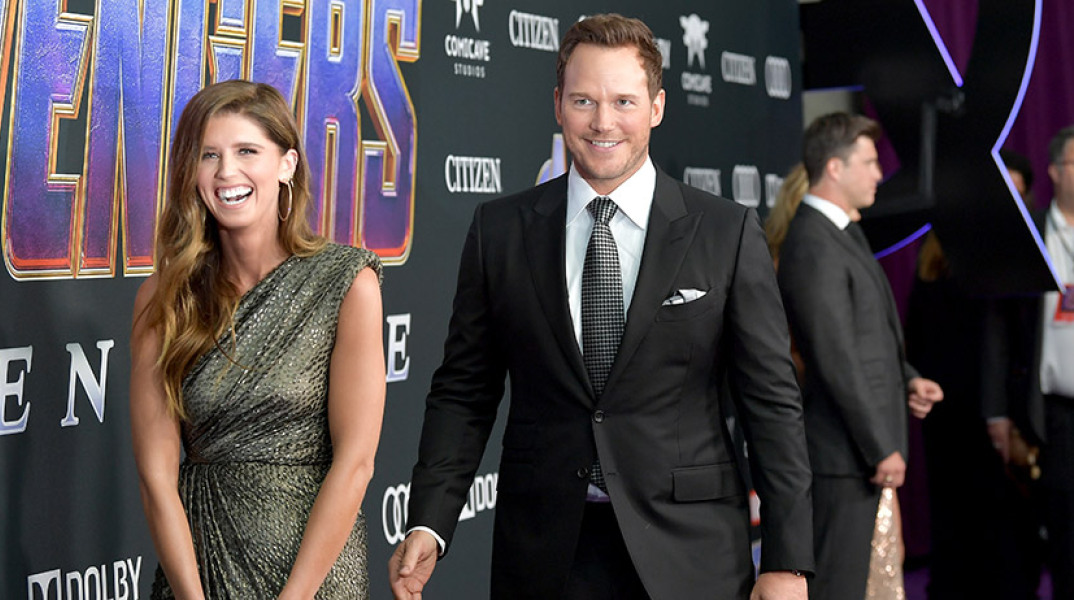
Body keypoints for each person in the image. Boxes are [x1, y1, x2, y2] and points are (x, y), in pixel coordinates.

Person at [389, 13, 812, 600]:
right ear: (558, 105)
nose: (603, 122)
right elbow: (464, 391)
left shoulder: (725, 232)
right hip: (544, 551)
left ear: (657, 107)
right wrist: (430, 520)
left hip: (690, 552)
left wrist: (787, 561)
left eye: (624, 102)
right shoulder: (500, 231)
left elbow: (771, 404)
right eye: (584, 100)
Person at [129, 80, 386, 599]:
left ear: (287, 164)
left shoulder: (346, 283)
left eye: (247, 151)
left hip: (314, 577)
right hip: (199, 572)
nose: (227, 172)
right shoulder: (166, 297)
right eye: (209, 155)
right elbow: (156, 477)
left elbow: (355, 463)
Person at [776, 112, 943, 600]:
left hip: (854, 454)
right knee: (838, 586)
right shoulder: (813, 242)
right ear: (835, 167)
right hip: (842, 455)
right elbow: (835, 357)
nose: (879, 174)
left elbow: (865, 337)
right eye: (869, 163)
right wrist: (879, 446)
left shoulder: (842, 232)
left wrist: (906, 378)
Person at [984, 125, 1074, 598]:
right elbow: (998, 330)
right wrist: (996, 412)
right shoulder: (1030, 234)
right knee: (1064, 536)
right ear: (1055, 171)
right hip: (1053, 413)